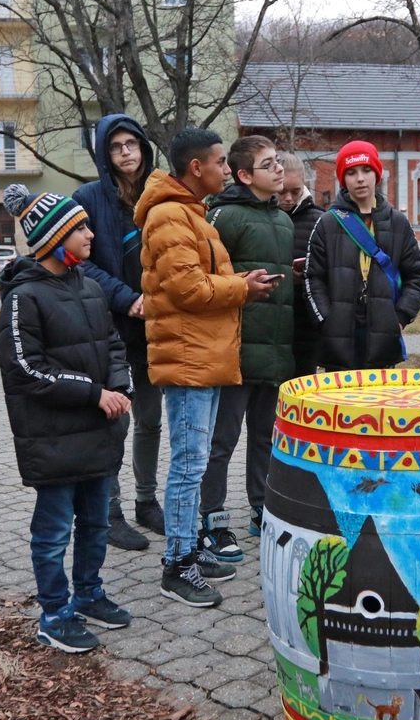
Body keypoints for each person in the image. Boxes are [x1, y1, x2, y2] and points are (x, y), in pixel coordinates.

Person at [137, 127, 278, 608]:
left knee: (193, 463)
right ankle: (176, 566)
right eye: (220, 162)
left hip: (204, 354)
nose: (225, 169)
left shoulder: (192, 214)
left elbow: (204, 279)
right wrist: (243, 290)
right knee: (189, 464)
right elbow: (189, 292)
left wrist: (241, 279)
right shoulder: (170, 216)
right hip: (188, 359)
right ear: (196, 168)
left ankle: (189, 551)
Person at [0, 183, 134, 653]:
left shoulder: (91, 287)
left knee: (96, 523)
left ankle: (90, 594)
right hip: (53, 439)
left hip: (97, 434)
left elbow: (114, 345)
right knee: (54, 530)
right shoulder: (23, 297)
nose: (91, 234)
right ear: (55, 238)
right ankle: (54, 613)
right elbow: (24, 369)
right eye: (80, 228)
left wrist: (118, 388)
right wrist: (94, 394)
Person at [198, 135, 294, 560]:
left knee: (265, 438)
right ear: (243, 174)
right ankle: (212, 516)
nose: (279, 169)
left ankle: (262, 507)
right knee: (222, 439)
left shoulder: (285, 221)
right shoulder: (224, 217)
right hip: (233, 352)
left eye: (279, 162)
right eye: (268, 164)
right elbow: (206, 279)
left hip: (275, 350)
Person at [72, 115, 163, 552]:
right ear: (104, 155)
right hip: (108, 325)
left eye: (133, 143)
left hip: (155, 326)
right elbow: (81, 261)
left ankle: (148, 501)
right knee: (116, 421)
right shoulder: (87, 198)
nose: (127, 152)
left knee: (151, 419)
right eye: (116, 146)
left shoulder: (160, 194)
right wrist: (125, 297)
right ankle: (110, 513)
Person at [305, 140, 420, 370]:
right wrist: (326, 320)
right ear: (343, 180)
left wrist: (399, 318)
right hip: (339, 337)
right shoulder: (328, 223)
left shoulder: (398, 223)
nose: (360, 178)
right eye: (351, 173)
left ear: (377, 174)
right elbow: (313, 278)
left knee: (379, 404)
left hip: (383, 336)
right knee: (341, 404)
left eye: (366, 170)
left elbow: (416, 276)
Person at [277, 151, 325, 377]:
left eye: (294, 192)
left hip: (304, 326)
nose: (287, 198)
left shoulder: (319, 220)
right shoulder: (259, 216)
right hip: (270, 324)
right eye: (281, 191)